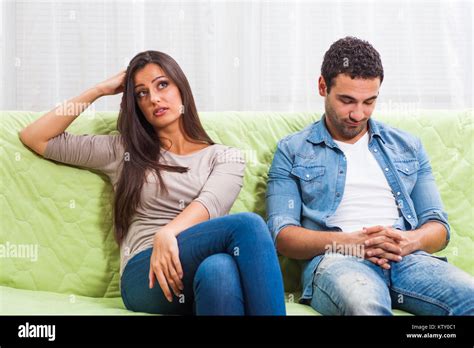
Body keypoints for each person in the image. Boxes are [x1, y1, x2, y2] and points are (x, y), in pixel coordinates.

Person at [19, 50, 286, 316]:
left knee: (219, 269)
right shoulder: (123, 151)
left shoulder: (225, 157)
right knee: (249, 225)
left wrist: (167, 232)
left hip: (195, 270)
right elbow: (36, 137)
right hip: (144, 275)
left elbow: (211, 204)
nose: (154, 98)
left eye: (162, 84)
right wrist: (99, 90)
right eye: (141, 93)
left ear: (181, 87)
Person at [266, 37, 474, 315]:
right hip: (339, 260)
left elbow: (438, 226)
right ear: (322, 87)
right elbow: (283, 235)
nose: (358, 114)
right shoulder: (292, 150)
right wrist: (353, 243)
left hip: (405, 256)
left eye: (369, 102)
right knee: (364, 306)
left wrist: (409, 241)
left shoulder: (407, 146)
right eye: (347, 100)